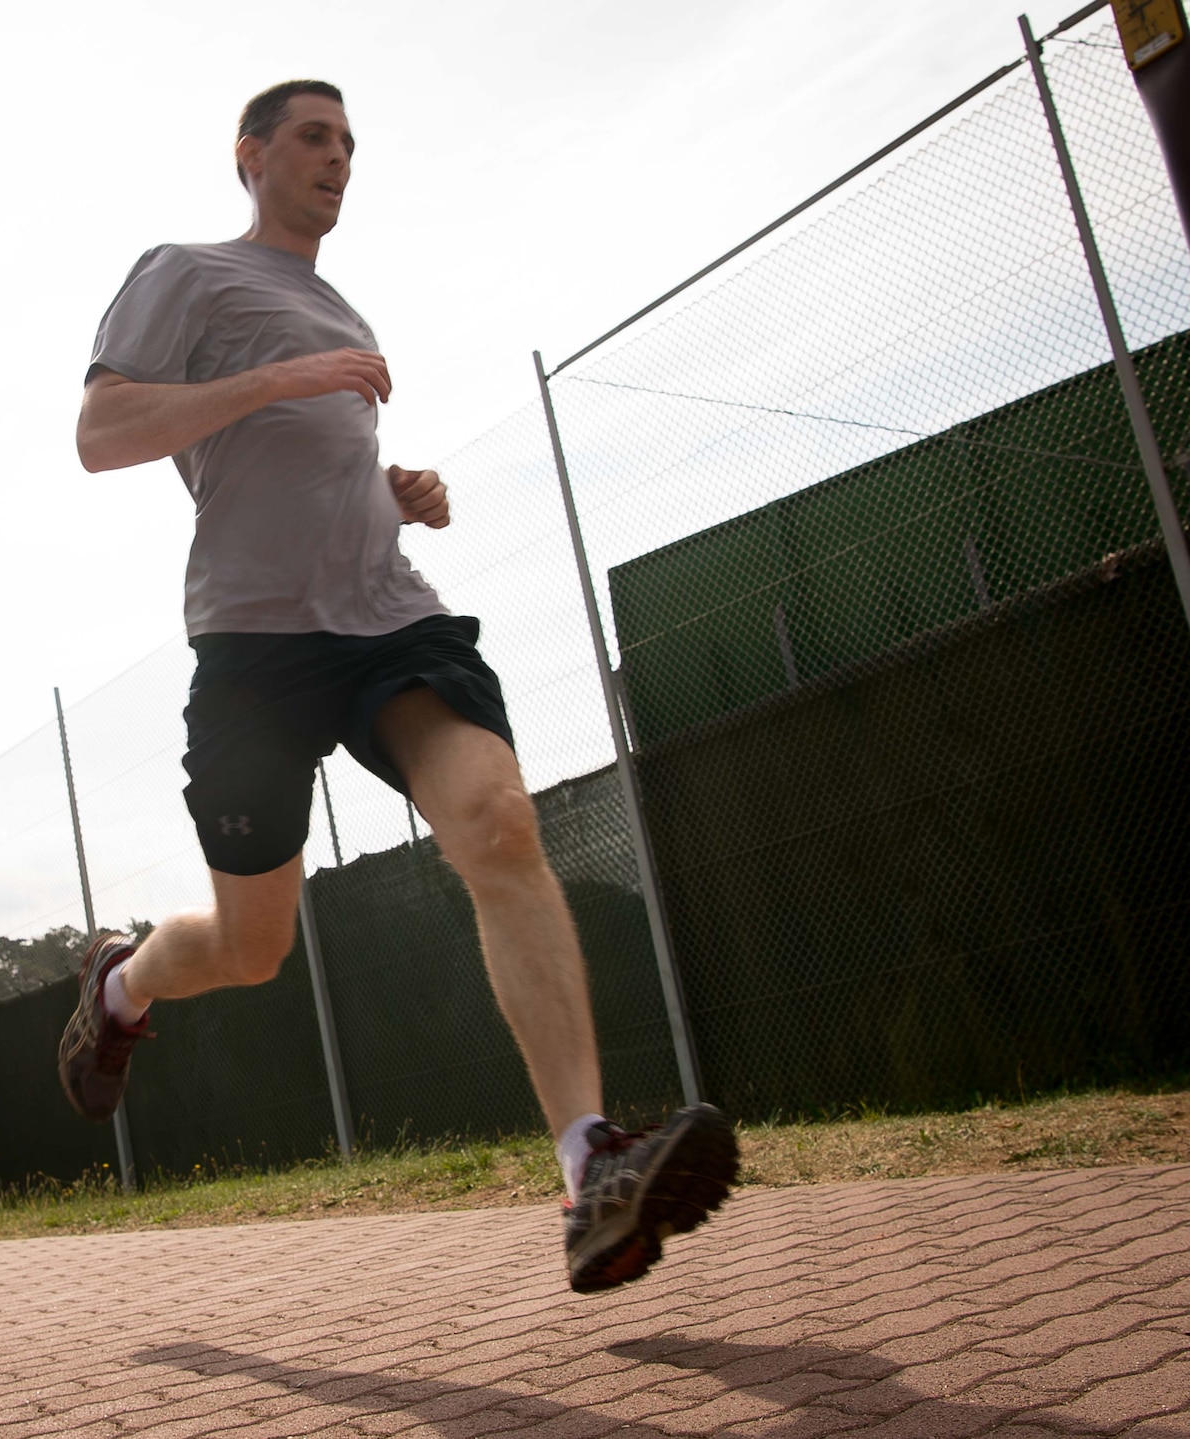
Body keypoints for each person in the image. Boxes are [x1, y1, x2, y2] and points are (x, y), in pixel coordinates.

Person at [61, 80, 740, 1293]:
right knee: (251, 945)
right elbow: (102, 431)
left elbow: (313, 478)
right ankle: (117, 985)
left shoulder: (336, 305)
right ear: (249, 155)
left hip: (386, 618)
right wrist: (278, 378)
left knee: (496, 823)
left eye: (349, 146)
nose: (337, 160)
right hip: (256, 648)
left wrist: (394, 489)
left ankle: (588, 1166)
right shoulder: (188, 270)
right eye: (313, 138)